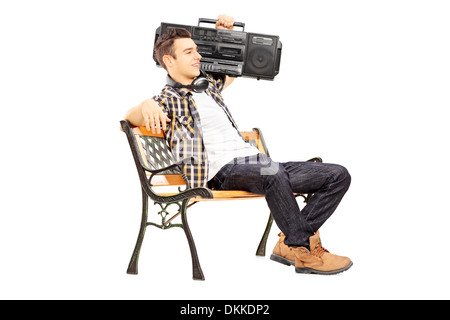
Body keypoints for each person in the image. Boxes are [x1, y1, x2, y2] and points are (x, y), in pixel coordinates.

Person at [124, 14, 353, 275]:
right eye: (188, 52)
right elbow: (127, 119)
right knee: (273, 172)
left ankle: (290, 243)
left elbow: (233, 68)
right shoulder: (167, 99)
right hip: (223, 171)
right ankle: (303, 250)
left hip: (258, 164)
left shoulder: (208, 87)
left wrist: (225, 34)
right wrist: (145, 104)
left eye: (197, 50)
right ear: (168, 60)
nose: (197, 56)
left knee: (337, 175)